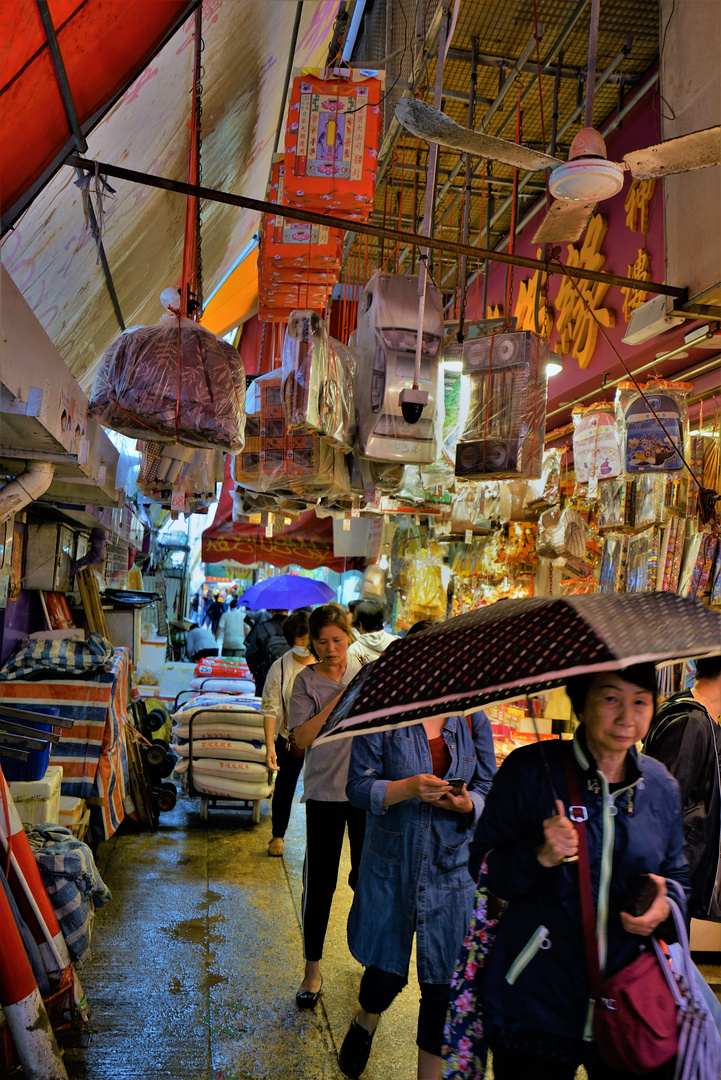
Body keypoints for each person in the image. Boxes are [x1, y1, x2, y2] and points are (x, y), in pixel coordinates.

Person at [466, 664, 689, 1080]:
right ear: (581, 704)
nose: (627, 717)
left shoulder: (661, 786)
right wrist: (539, 854)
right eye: (610, 698)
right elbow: (484, 869)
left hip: (630, 1002)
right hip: (534, 1002)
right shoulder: (530, 770)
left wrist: (665, 903)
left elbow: (679, 878)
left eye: (640, 702)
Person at [340, 709, 497, 1080]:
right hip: (392, 865)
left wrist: (468, 803)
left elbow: (488, 787)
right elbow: (357, 788)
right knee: (383, 977)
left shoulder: (473, 718)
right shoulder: (382, 714)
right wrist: (409, 787)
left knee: (442, 990)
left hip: (452, 869)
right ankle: (366, 1019)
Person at [288, 605, 365, 1010]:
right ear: (312, 643)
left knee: (368, 879)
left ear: (348, 637)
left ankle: (370, 955)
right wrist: (339, 702)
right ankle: (312, 969)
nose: (331, 648)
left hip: (368, 791)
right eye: (322, 641)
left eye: (338, 640)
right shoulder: (305, 682)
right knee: (320, 885)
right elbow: (301, 738)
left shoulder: (366, 667)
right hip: (324, 793)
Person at [644, 655, 721, 921]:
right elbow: (662, 807)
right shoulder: (690, 720)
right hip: (669, 879)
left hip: (677, 874)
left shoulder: (700, 717)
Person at [261, 612, 316, 858]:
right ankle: (278, 836)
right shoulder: (280, 667)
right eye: (298, 641)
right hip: (289, 739)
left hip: (321, 741)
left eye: (307, 639)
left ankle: (318, 840)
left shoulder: (324, 663)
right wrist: (270, 746)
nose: (303, 646)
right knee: (284, 788)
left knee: (319, 791)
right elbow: (270, 708)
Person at [245, 608, 289, 694]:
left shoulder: (262, 628)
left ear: (271, 611)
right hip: (290, 680)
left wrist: (257, 674)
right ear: (287, 610)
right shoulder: (295, 628)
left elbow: (250, 655)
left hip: (266, 679)